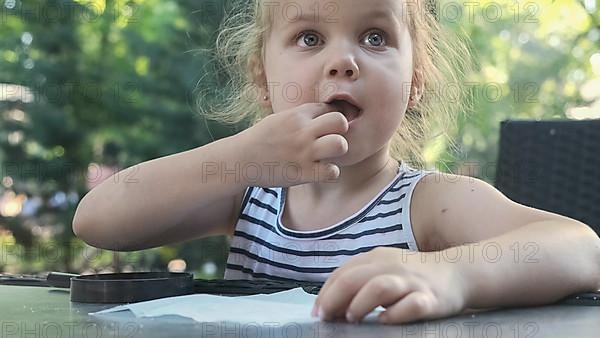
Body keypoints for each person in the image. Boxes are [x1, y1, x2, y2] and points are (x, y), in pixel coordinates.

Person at [73, 0, 600, 325]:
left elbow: (581, 248)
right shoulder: (247, 192)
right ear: (262, 79)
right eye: (309, 38)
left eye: (376, 37)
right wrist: (239, 157)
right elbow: (97, 221)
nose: (344, 60)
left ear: (413, 82)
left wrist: (445, 276)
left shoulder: (427, 204)